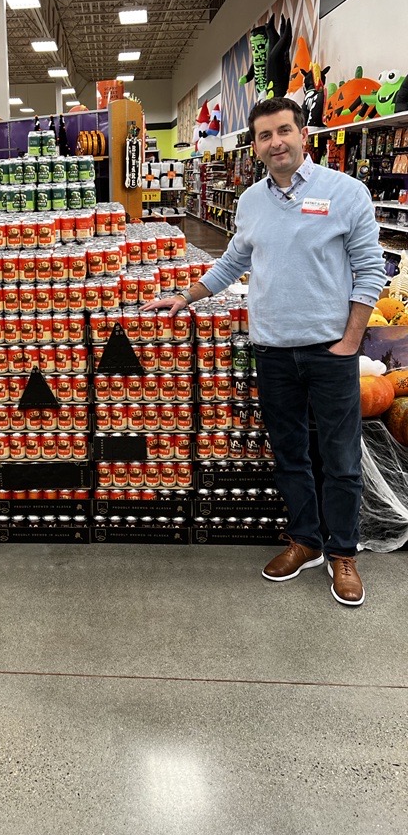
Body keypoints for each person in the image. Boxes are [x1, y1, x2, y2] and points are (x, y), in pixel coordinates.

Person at [144, 97, 385, 607]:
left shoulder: (347, 192)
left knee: (339, 457)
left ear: (304, 135)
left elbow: (370, 272)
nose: (276, 142)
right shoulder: (251, 200)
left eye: (284, 131)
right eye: (265, 136)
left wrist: (349, 342)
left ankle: (344, 553)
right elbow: (233, 260)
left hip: (329, 351)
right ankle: (306, 542)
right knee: (290, 454)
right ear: (255, 147)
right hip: (272, 349)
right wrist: (186, 296)